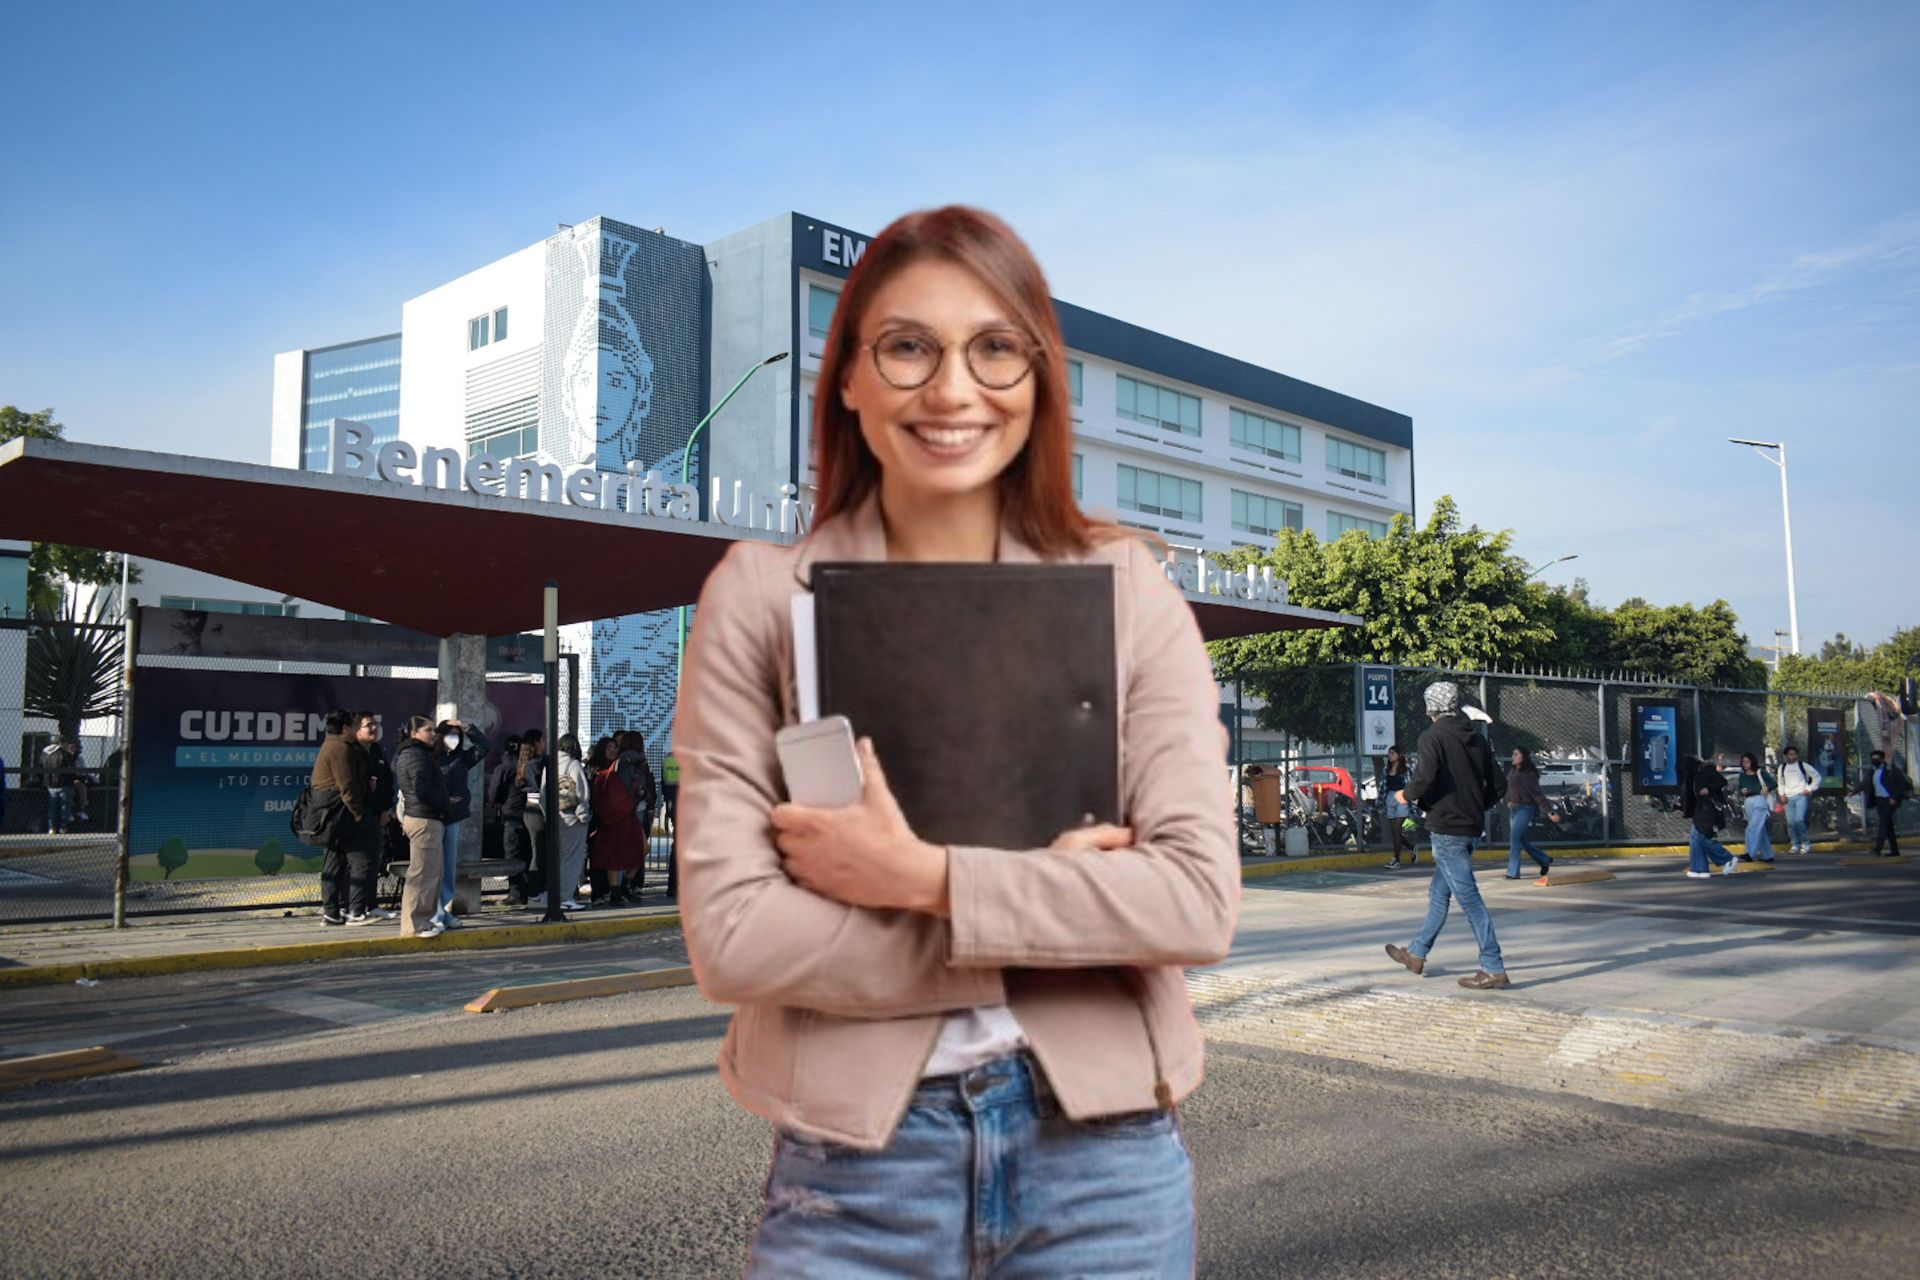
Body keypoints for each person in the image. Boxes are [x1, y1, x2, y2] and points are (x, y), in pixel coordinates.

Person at [676, 206, 1236, 1276]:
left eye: (994, 349)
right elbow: (737, 938)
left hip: (1106, 1167)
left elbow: (1193, 901)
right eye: (907, 347)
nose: (952, 390)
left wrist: (918, 878)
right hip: (858, 1174)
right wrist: (1059, 917)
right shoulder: (759, 598)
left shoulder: (1126, 588)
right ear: (848, 377)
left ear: (1038, 378)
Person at [1383, 682, 1510, 990]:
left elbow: (1425, 778)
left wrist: (1405, 795)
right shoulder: (1477, 739)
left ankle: (1493, 967)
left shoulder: (1432, 737)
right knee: (1439, 894)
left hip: (1447, 828)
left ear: (1432, 708)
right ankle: (1416, 953)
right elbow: (1499, 785)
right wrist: (1476, 806)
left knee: (1470, 900)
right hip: (1470, 827)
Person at [309, 709, 371, 927]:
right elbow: (347, 784)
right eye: (354, 726)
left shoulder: (330, 745)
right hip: (340, 813)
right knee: (361, 860)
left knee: (334, 862)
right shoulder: (340, 748)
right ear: (346, 728)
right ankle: (355, 911)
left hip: (331, 813)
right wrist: (358, 812)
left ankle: (332, 912)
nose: (356, 730)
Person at [391, 715, 451, 939]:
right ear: (414, 733)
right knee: (422, 873)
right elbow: (421, 789)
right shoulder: (415, 755)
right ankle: (415, 924)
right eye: (428, 730)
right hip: (423, 818)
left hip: (425, 817)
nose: (433, 734)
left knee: (432, 871)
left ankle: (423, 920)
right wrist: (443, 803)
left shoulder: (418, 754)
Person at [431, 718, 488, 929]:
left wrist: (466, 727)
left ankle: (444, 910)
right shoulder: (430, 757)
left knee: (449, 866)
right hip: (433, 817)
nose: (453, 738)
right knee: (433, 866)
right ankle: (434, 912)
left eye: (457, 734)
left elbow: (484, 747)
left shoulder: (462, 757)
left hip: (453, 817)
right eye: (450, 734)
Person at [591, 731, 653, 904]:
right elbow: (637, 786)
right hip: (624, 812)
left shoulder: (621, 763)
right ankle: (619, 888)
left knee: (621, 851)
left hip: (620, 812)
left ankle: (619, 888)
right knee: (628, 850)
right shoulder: (631, 761)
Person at [350, 711, 399, 924]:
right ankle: (353, 908)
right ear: (356, 729)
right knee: (358, 864)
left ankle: (371, 905)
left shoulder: (378, 750)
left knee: (374, 862)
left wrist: (386, 810)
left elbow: (387, 782)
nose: (374, 728)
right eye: (368, 725)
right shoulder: (352, 751)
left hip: (378, 816)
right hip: (358, 817)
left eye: (375, 724)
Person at [498, 734, 542, 905]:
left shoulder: (505, 767)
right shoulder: (535, 765)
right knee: (529, 852)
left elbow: (494, 792)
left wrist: (502, 803)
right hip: (532, 813)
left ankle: (516, 892)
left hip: (512, 814)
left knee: (513, 853)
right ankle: (528, 890)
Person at [1679, 756, 1738, 878]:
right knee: (1696, 837)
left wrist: (1708, 789)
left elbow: (1722, 781)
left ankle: (1726, 858)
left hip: (1707, 809)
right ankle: (1700, 869)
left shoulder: (1704, 771)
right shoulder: (1692, 775)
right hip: (1700, 810)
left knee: (1700, 837)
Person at [1503, 747, 1558, 879]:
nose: (1513, 757)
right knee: (1520, 840)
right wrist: (1509, 801)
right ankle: (1544, 859)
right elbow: (1511, 789)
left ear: (1523, 757)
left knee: (1515, 839)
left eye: (1516, 754)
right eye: (1513, 754)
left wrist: (1551, 813)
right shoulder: (1513, 771)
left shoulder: (1528, 774)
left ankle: (1513, 872)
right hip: (1514, 809)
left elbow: (1538, 795)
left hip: (1525, 809)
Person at [552, 733, 593, 911]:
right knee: (572, 859)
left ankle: (554, 896)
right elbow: (582, 793)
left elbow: (544, 793)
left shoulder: (550, 765)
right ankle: (565, 897)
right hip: (573, 818)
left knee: (558, 858)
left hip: (555, 816)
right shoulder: (573, 764)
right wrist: (584, 816)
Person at [1857, 749, 1912, 858]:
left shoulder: (1890, 769)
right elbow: (1865, 783)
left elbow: (1903, 783)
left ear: (1882, 759)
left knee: (1883, 823)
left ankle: (1878, 849)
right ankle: (1894, 851)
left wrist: (1894, 797)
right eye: (1873, 759)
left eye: (1876, 759)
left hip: (1889, 800)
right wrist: (1853, 791)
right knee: (1888, 825)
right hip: (1879, 800)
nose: (1874, 761)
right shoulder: (1872, 770)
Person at [1776, 744, 1821, 854]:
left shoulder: (1802, 765)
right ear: (1786, 755)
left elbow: (1817, 776)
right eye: (1790, 754)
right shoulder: (1782, 768)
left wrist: (1810, 788)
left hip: (1801, 796)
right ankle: (1795, 844)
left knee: (1799, 820)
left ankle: (1805, 843)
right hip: (1788, 798)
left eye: (1795, 754)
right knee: (1791, 823)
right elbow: (1780, 782)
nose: (1793, 756)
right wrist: (1782, 794)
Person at [1735, 752, 1778, 863]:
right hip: (1748, 801)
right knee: (1760, 829)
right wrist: (1742, 790)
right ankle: (1768, 855)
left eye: (1747, 761)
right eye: (1743, 762)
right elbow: (1740, 787)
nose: (1745, 764)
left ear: (1752, 762)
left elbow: (1773, 783)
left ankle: (1750, 853)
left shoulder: (1760, 772)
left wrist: (1767, 788)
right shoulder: (1742, 775)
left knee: (1753, 827)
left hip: (1759, 799)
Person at [1379, 745, 1415, 870]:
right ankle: (1411, 847)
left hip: (1402, 797)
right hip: (1390, 798)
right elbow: (1383, 787)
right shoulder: (1386, 769)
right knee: (1395, 832)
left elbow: (1413, 782)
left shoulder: (1407, 768)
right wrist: (1380, 801)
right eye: (1389, 753)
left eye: (1392, 753)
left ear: (1399, 755)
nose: (1390, 756)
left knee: (1397, 829)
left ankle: (1396, 859)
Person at [40, 735, 80, 835]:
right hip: (64, 783)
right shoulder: (65, 754)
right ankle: (63, 827)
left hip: (50, 784)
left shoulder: (45, 754)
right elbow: (71, 770)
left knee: (52, 807)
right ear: (62, 743)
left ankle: (51, 827)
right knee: (65, 807)